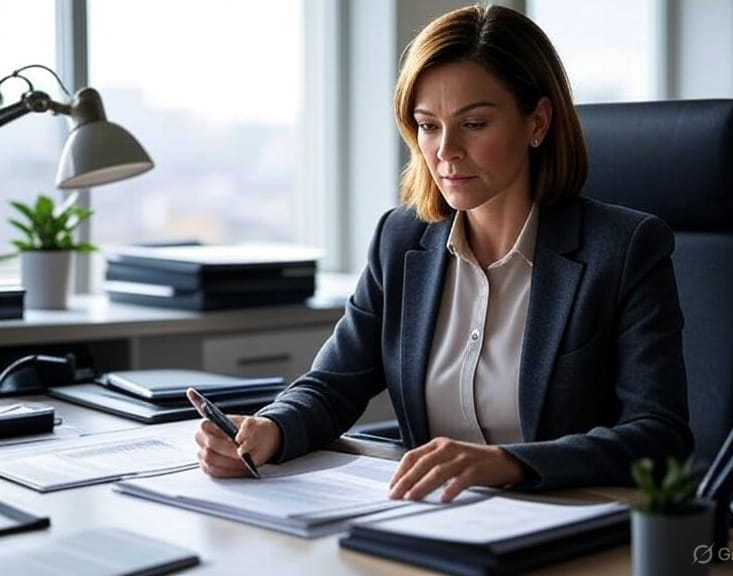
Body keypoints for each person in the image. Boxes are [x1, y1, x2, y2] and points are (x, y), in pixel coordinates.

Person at [192, 4, 692, 503]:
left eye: (474, 124)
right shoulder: (401, 240)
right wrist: (270, 430)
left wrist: (508, 464)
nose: (446, 150)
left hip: (571, 523)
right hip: (435, 521)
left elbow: (658, 436)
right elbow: (333, 384)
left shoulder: (624, 249)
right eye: (428, 125)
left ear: (537, 122)